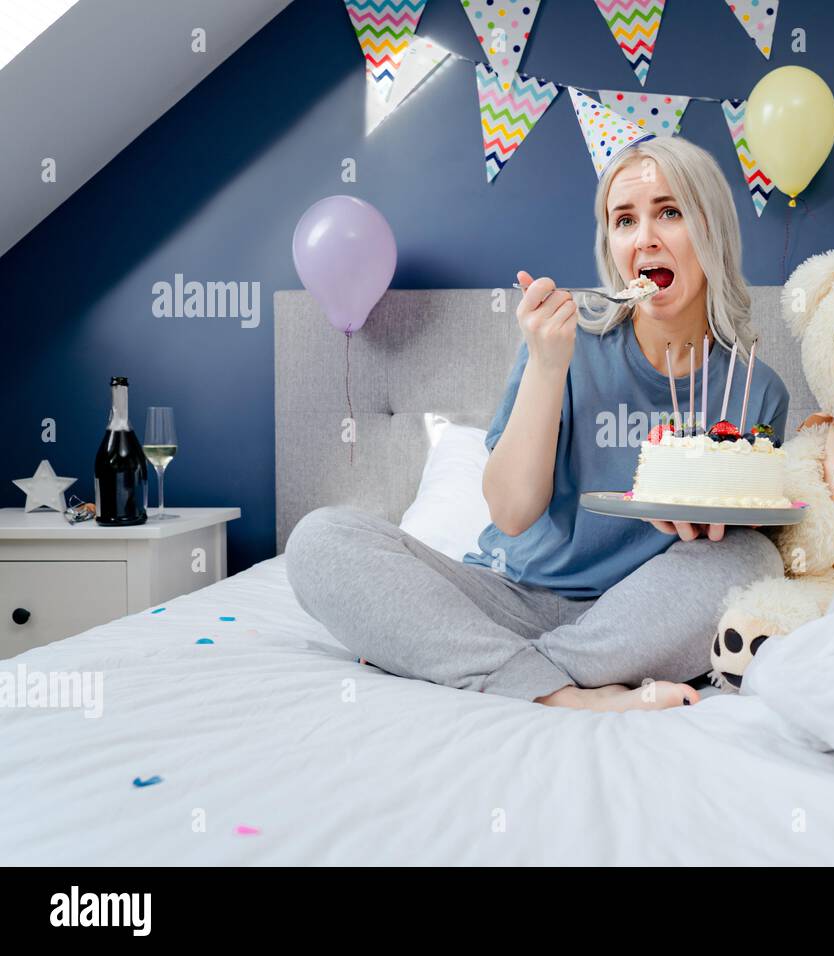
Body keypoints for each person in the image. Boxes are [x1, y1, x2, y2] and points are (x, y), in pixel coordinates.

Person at [286, 136, 789, 712]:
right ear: (611, 245)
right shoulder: (564, 344)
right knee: (321, 539)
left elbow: (745, 532)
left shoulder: (756, 389)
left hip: (637, 615)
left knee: (752, 561)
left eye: (669, 212)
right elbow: (511, 512)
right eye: (624, 220)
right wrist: (549, 365)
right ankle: (559, 691)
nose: (644, 236)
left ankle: (482, 665)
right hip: (501, 598)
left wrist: (709, 523)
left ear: (713, 231)